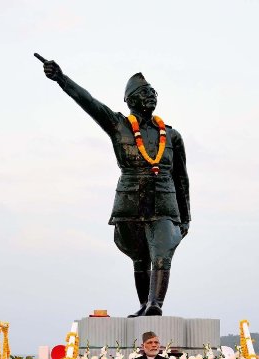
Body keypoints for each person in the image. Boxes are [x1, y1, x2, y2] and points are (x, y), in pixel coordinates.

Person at [37, 55, 190, 317]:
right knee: (140, 256)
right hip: (130, 200)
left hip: (164, 200)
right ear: (130, 100)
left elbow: (182, 179)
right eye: (144, 92)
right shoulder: (118, 125)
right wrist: (62, 79)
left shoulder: (172, 135)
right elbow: (89, 102)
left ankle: (156, 304)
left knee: (162, 252)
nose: (151, 96)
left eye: (153, 91)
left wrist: (185, 217)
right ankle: (145, 304)